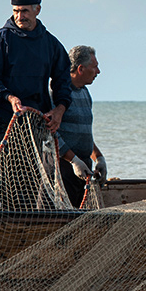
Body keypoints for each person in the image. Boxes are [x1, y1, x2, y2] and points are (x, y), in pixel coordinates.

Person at [0, 0, 72, 177]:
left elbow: (63, 79)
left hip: (33, 110)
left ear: (37, 10)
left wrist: (59, 109)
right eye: (16, 11)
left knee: (30, 164)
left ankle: (21, 203)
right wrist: (9, 97)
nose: (20, 16)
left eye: (25, 11)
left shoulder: (50, 44)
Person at [54, 45, 106, 207]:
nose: (98, 72)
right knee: (61, 218)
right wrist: (73, 160)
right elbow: (51, 135)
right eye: (95, 67)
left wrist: (98, 157)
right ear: (81, 68)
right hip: (62, 168)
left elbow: (84, 133)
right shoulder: (56, 93)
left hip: (84, 168)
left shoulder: (84, 92)